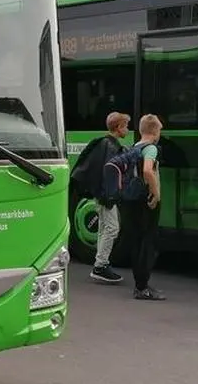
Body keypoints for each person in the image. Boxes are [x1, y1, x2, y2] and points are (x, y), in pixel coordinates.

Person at [70, 112, 131, 284]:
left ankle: (99, 263)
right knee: (112, 228)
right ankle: (101, 265)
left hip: (100, 194)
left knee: (104, 228)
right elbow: (109, 173)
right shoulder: (111, 147)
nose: (127, 129)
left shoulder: (104, 143)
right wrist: (110, 195)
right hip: (106, 195)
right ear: (118, 128)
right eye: (125, 126)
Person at [118, 114, 166, 301]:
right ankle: (143, 287)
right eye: (160, 130)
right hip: (145, 200)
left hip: (130, 199)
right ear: (155, 131)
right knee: (148, 242)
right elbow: (147, 170)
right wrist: (155, 192)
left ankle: (140, 284)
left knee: (136, 242)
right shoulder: (151, 148)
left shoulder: (133, 147)